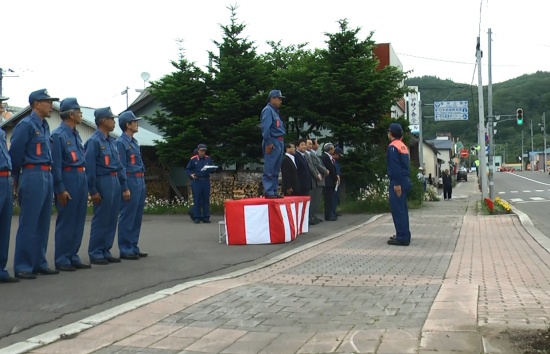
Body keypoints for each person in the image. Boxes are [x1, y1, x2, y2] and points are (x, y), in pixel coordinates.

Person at [9, 89, 60, 279]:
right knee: (29, 222)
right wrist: (14, 177)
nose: (51, 106)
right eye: (47, 102)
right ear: (36, 104)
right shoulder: (26, 125)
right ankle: (23, 265)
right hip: (31, 174)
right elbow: (15, 152)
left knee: (43, 222)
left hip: (46, 174)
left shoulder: (45, 125)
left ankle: (39, 262)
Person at [51, 98, 91, 271]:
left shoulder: (76, 134)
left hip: (80, 177)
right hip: (68, 178)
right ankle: (62, 258)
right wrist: (60, 188)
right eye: (79, 111)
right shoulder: (58, 135)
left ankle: (73, 255)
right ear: (72, 114)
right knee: (67, 219)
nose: (81, 114)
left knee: (78, 219)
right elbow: (56, 165)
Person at [85, 107, 124, 265]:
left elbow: (118, 165)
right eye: (111, 119)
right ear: (103, 121)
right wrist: (93, 190)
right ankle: (95, 252)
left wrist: (123, 184)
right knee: (101, 218)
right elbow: (90, 168)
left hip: (114, 180)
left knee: (111, 217)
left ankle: (105, 249)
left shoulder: (112, 141)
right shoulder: (94, 141)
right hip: (102, 180)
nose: (114, 122)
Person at [117, 111, 148, 260]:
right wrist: (124, 187)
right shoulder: (121, 143)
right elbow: (121, 166)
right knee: (128, 215)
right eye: (135, 122)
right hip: (129, 179)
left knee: (137, 216)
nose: (137, 124)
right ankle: (125, 248)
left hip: (139, 179)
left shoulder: (134, 142)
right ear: (128, 125)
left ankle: (133, 245)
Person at [0, 96, 18, 283]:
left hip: (5, 178)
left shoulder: (1, 132)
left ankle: (1, 268)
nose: (2, 105)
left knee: (4, 226)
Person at [386, 123, 411, 246]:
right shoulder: (403, 146)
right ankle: (404, 233)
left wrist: (396, 184)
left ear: (390, 133)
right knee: (403, 209)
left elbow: (395, 166)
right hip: (405, 179)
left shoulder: (392, 147)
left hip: (398, 181)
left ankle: (402, 237)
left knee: (397, 210)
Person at [260, 90, 285, 199]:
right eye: (279, 98)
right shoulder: (268, 110)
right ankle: (268, 190)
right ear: (272, 99)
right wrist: (268, 143)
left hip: (279, 140)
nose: (280, 101)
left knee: (276, 168)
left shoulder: (275, 111)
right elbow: (266, 128)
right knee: (269, 168)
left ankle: (274, 190)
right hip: (272, 140)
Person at [186, 144, 215, 223]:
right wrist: (191, 175)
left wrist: (213, 169)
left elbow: (211, 169)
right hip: (197, 181)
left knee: (206, 199)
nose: (203, 152)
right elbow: (188, 169)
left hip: (205, 180)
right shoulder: (193, 159)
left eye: (204, 151)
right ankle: (197, 217)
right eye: (201, 150)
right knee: (197, 199)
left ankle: (206, 217)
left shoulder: (208, 159)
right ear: (198, 150)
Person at [305, 138, 328, 224]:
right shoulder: (309, 154)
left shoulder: (313, 154)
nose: (310, 146)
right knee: (313, 200)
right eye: (309, 144)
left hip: (319, 178)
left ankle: (313, 216)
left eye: (311, 144)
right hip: (314, 179)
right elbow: (314, 166)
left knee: (316, 200)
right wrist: (322, 172)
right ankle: (311, 217)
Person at [321, 143, 338, 221]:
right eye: (333, 149)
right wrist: (335, 177)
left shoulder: (329, 157)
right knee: (328, 199)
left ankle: (331, 214)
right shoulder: (325, 157)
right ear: (330, 149)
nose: (334, 150)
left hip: (331, 180)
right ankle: (328, 215)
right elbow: (330, 168)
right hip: (328, 180)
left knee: (330, 198)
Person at [332, 147, 344, 217]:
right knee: (333, 196)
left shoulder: (336, 162)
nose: (339, 157)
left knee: (336, 197)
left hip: (337, 180)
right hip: (334, 180)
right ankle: (332, 211)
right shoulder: (332, 161)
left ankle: (334, 210)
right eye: (339, 155)